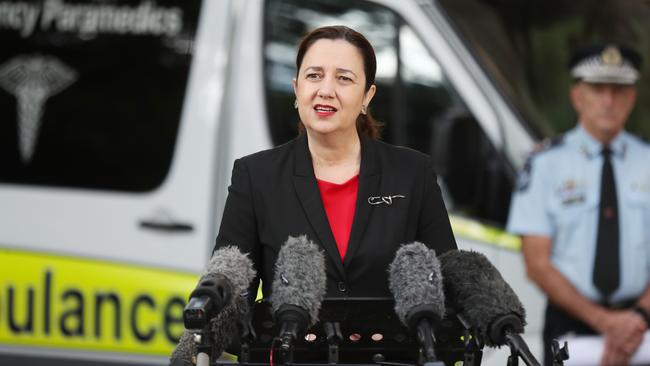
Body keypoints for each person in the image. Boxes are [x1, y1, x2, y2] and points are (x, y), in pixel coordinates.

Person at [214, 25, 456, 303]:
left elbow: (448, 286)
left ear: (367, 95)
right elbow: (228, 300)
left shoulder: (413, 173)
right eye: (314, 76)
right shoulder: (255, 176)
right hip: (291, 346)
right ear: (297, 88)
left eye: (344, 78)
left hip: (389, 348)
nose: (325, 90)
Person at [507, 43, 650, 366]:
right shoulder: (545, 164)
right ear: (577, 96)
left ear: (632, 98)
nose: (608, 101)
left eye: (619, 90)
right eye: (598, 89)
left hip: (642, 326)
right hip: (572, 326)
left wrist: (636, 318)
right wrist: (607, 323)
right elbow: (537, 262)